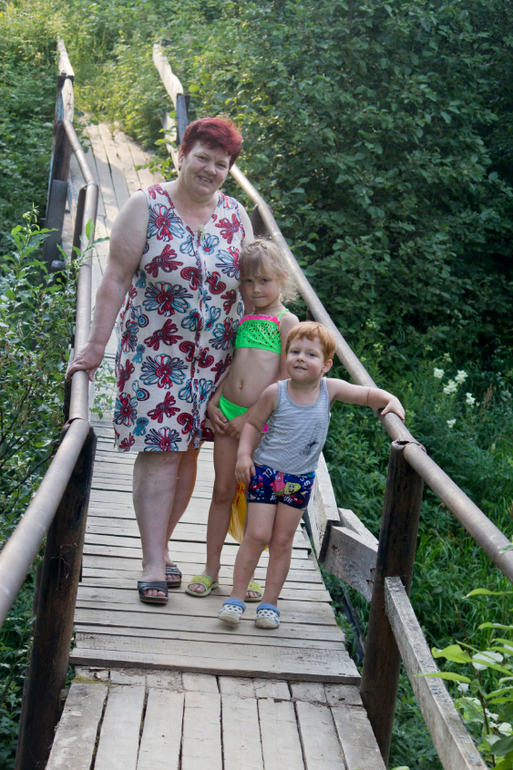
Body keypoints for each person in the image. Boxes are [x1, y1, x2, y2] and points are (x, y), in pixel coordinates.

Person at [66, 116, 253, 604]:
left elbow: (255, 291)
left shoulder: (237, 216)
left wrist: (262, 354)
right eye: (202, 158)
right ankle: (152, 560)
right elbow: (114, 279)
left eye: (222, 163)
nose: (210, 170)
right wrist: (94, 345)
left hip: (216, 362)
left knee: (188, 453)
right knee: (162, 450)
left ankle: (163, 545)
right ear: (182, 155)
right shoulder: (145, 205)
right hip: (156, 355)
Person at [217, 321, 405, 628]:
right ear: (286, 356)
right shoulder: (275, 392)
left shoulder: (330, 390)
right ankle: (236, 598)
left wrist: (390, 400)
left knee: (282, 542)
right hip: (266, 474)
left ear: (326, 365)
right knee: (257, 535)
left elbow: (367, 395)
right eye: (294, 352)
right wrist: (243, 455)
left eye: (311, 354)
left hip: (299, 481)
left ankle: (269, 604)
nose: (301, 358)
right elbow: (252, 424)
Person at [185, 239, 299, 600]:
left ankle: (246, 574)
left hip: (259, 422)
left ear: (282, 278)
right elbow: (237, 364)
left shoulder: (286, 321)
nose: (255, 289)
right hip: (227, 414)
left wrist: (252, 417)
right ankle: (211, 569)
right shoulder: (246, 317)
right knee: (222, 490)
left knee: (254, 496)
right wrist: (215, 400)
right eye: (248, 282)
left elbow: (284, 379)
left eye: (264, 281)